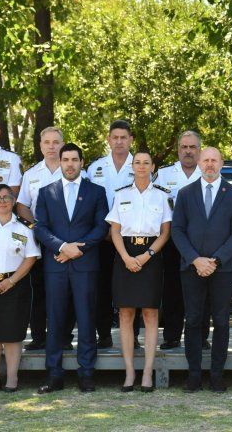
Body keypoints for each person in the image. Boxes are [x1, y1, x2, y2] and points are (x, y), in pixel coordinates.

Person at [35, 143, 109, 393]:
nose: (69, 164)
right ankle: (54, 375)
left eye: (74, 160)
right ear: (60, 161)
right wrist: (62, 247)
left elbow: (101, 227)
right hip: (56, 264)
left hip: (85, 264)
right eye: (65, 159)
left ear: (81, 162)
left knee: (87, 319)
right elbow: (41, 228)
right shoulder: (46, 192)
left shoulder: (96, 192)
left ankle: (86, 373)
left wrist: (80, 248)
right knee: (55, 320)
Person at [171, 147, 232, 393]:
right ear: (200, 163)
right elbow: (177, 231)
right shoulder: (185, 193)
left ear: (222, 163)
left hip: (222, 269)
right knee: (192, 320)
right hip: (192, 267)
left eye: (215, 160)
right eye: (206, 160)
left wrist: (216, 260)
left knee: (222, 322)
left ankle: (216, 375)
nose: (210, 164)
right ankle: (194, 374)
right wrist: (195, 259)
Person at [106, 151, 172, 392]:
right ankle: (129, 372)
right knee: (125, 314)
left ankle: (147, 373)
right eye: (137, 163)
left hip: (151, 255)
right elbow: (114, 230)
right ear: (132, 167)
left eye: (146, 162)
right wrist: (126, 257)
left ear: (153, 167)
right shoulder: (121, 194)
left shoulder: (162, 197)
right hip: (125, 253)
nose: (141, 166)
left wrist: (146, 256)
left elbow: (165, 232)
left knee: (150, 314)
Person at [16, 126, 77, 351]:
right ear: (41, 146)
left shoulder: (74, 170)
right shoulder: (31, 174)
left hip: (68, 241)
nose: (51, 146)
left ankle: (63, 336)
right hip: (39, 240)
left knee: (68, 289)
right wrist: (36, 226)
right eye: (47, 142)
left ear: (62, 144)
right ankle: (39, 336)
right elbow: (21, 205)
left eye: (56, 142)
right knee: (40, 290)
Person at [154, 130, 209, 350]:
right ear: (178, 150)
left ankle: (201, 336)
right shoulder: (165, 174)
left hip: (201, 240)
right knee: (172, 288)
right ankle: (172, 335)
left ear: (199, 150)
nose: (188, 151)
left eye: (193, 147)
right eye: (184, 147)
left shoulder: (209, 172)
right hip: (171, 239)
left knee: (202, 289)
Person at [0, 184, 40, 392]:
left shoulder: (24, 229)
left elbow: (31, 258)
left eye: (7, 197)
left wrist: (11, 281)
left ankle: (12, 379)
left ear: (14, 201)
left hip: (15, 285)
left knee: (13, 334)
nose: (3, 201)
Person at [87, 119, 135, 349]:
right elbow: (88, 205)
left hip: (131, 238)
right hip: (102, 238)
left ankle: (133, 337)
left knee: (133, 289)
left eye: (123, 137)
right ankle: (104, 334)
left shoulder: (140, 164)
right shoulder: (94, 168)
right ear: (108, 139)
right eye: (114, 137)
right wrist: (104, 231)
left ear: (130, 140)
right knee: (102, 287)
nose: (118, 141)